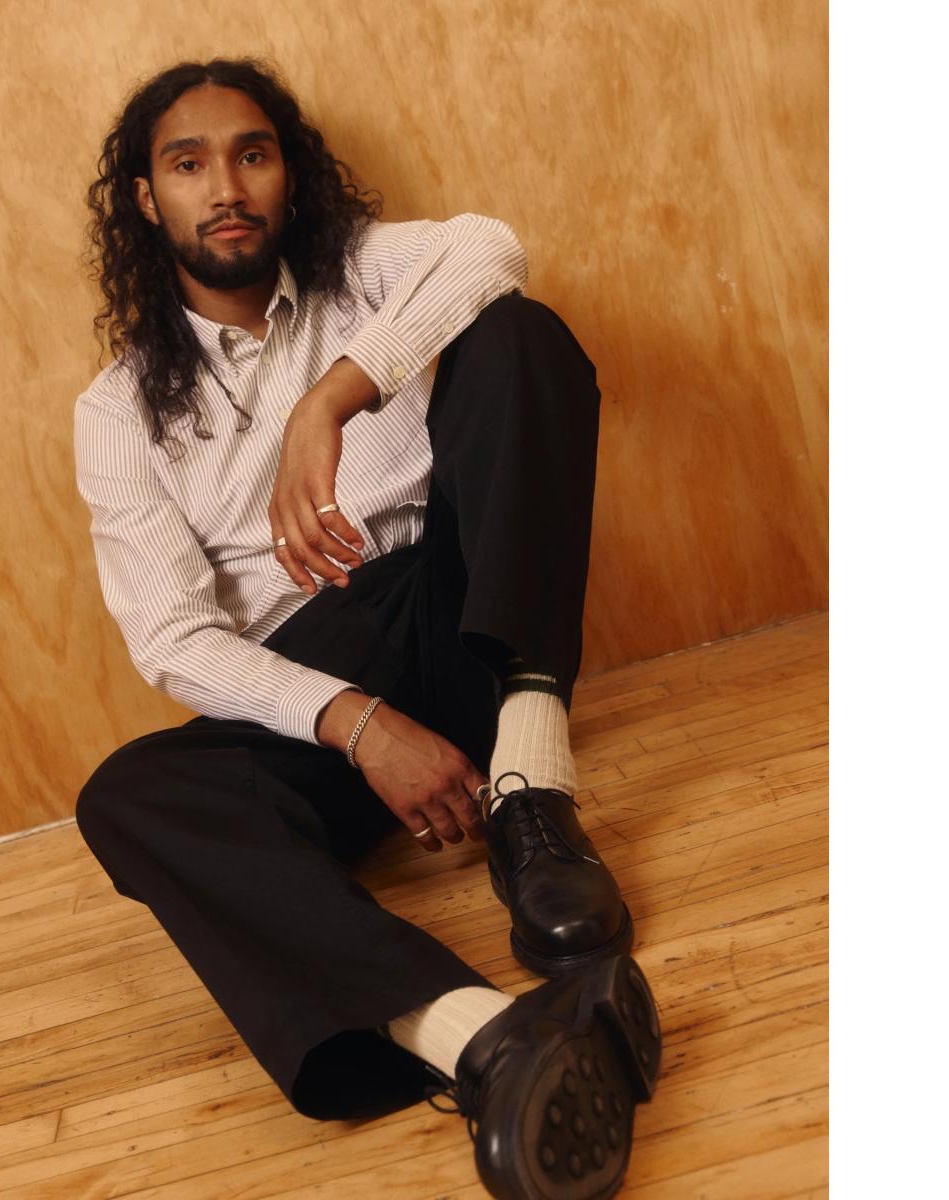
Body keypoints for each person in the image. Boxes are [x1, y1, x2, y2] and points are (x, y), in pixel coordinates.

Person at [73, 55, 662, 1200]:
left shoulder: (359, 273)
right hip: (316, 689)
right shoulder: (118, 410)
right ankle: (488, 1038)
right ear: (147, 199)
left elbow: (493, 245)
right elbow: (173, 643)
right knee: (129, 797)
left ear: (286, 173)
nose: (225, 187)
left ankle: (531, 795)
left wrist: (331, 397)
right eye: (188, 165)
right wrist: (355, 723)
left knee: (518, 335)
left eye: (251, 154)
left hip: (460, 610)